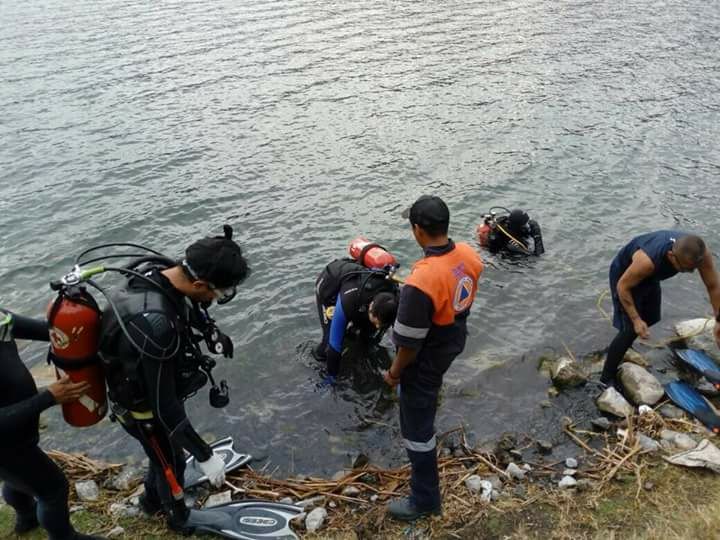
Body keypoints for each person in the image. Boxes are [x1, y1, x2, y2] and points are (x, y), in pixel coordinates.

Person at [98, 226, 249, 531]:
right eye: (219, 293)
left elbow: (189, 307)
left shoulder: (161, 273)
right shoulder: (156, 325)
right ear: (199, 282)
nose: (218, 298)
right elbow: (164, 407)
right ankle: (178, 518)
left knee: (163, 457)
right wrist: (204, 455)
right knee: (171, 461)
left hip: (141, 383)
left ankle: (150, 502)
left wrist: (213, 333)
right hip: (142, 410)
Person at [384, 195, 484, 521]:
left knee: (416, 430)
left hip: (426, 357)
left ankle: (424, 500)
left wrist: (395, 374)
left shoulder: (421, 281)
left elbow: (409, 346)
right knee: (426, 398)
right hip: (454, 338)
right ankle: (428, 413)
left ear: (417, 231)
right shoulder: (467, 254)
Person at [0, 309, 104, 540]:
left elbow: (43, 330)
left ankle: (26, 520)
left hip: (18, 432)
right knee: (53, 489)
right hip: (5, 443)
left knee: (17, 479)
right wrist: (48, 397)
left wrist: (76, 332)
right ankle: (65, 537)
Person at [600, 231, 720, 386]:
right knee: (630, 328)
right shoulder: (647, 262)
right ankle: (606, 377)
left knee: (651, 317)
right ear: (671, 256)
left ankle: (626, 345)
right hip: (625, 277)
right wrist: (636, 319)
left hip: (652, 277)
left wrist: (718, 320)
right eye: (685, 269)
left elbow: (713, 286)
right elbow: (622, 287)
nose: (690, 272)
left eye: (693, 269)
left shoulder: (700, 254)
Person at [313, 257, 399, 382]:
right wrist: (331, 377)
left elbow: (402, 341)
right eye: (376, 322)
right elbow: (334, 345)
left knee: (369, 336)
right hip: (329, 287)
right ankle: (317, 358)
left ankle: (355, 344)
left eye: (380, 325)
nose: (377, 327)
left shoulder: (397, 300)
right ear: (370, 308)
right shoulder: (350, 301)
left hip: (362, 292)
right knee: (328, 343)